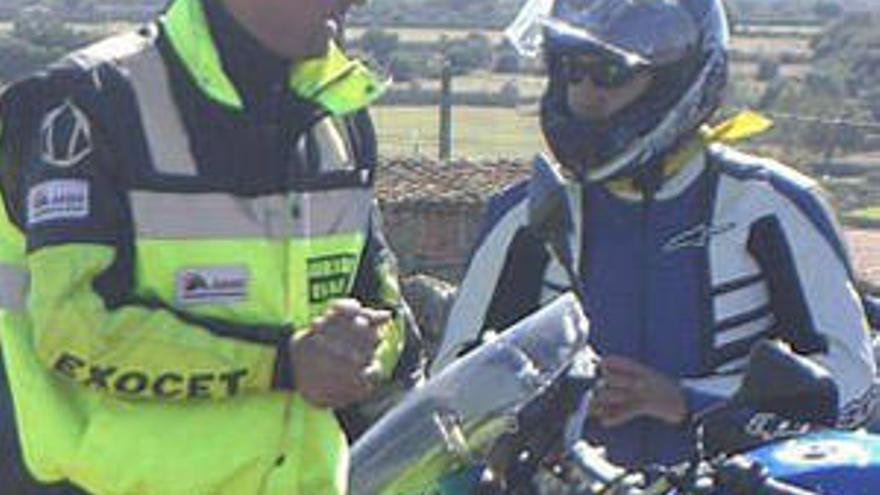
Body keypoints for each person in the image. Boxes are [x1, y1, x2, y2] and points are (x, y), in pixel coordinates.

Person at [432, 0, 877, 470]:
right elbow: (445, 397)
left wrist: (686, 399)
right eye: (569, 69)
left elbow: (851, 386)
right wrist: (546, 400)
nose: (584, 93)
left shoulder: (770, 205)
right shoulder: (523, 215)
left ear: (676, 77)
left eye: (608, 72)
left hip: (733, 481)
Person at [0, 0, 412, 493]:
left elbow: (387, 314)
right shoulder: (82, 103)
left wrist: (365, 351)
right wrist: (282, 363)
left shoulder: (341, 115)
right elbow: (75, 326)